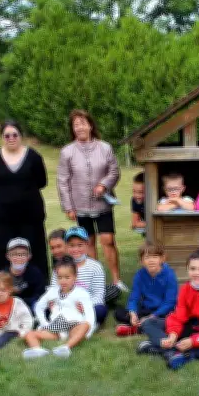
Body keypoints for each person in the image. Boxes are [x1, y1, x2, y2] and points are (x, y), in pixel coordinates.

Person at [57, 109, 126, 291]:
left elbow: (114, 171)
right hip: (80, 206)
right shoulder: (67, 152)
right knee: (88, 243)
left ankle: (116, 280)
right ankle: (96, 281)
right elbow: (62, 180)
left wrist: (104, 185)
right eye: (76, 124)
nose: (80, 127)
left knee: (108, 240)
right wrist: (68, 206)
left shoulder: (105, 147)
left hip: (103, 203)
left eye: (83, 123)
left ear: (90, 125)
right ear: (72, 129)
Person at [138, 249, 199, 370]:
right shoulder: (185, 289)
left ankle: (169, 351)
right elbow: (179, 316)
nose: (196, 273)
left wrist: (193, 341)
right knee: (149, 323)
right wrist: (173, 335)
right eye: (192, 269)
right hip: (189, 328)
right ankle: (170, 350)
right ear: (187, 270)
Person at [0, 121, 49, 276]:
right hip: (2, 216)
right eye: (7, 135)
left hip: (30, 216)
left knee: (35, 248)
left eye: (14, 135)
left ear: (21, 136)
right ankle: (1, 286)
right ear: (2, 137)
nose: (11, 138)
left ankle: (38, 285)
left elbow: (42, 182)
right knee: (1, 249)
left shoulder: (33, 156)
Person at [25, 257, 96, 359]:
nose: (63, 281)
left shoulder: (81, 293)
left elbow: (90, 315)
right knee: (29, 334)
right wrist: (45, 323)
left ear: (75, 277)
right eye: (60, 277)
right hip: (56, 328)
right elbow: (39, 307)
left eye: (67, 277)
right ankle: (37, 350)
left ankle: (66, 347)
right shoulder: (52, 292)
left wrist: (88, 332)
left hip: (73, 327)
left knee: (85, 326)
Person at [49, 227, 119, 324]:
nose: (76, 249)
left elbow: (98, 295)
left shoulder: (95, 266)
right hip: (65, 304)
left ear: (87, 245)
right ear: (66, 246)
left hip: (87, 305)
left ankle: (75, 321)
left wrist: (85, 305)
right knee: (46, 306)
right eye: (72, 245)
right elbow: (54, 291)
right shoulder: (60, 266)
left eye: (80, 245)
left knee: (101, 310)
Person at [114, 242, 178, 337]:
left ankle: (137, 328)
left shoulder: (169, 275)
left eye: (155, 257)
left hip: (163, 311)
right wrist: (133, 313)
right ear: (141, 261)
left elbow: (170, 302)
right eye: (147, 257)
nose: (151, 261)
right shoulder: (139, 275)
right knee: (119, 313)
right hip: (146, 309)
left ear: (162, 259)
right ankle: (142, 325)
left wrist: (152, 316)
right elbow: (134, 298)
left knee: (170, 319)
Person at [5, 237, 46, 310]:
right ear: (8, 256)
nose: (19, 258)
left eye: (23, 254)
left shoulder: (36, 273)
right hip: (8, 307)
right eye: (15, 254)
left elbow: (40, 295)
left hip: (29, 306)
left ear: (29, 256)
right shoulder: (3, 275)